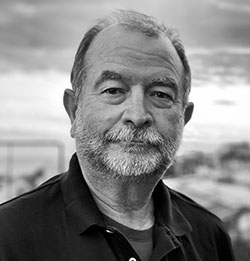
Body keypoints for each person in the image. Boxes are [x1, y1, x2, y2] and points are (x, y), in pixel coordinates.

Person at [0, 10, 235, 261]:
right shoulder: (8, 236)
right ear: (74, 110)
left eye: (160, 94)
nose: (137, 114)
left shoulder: (209, 236)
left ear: (184, 118)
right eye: (113, 90)